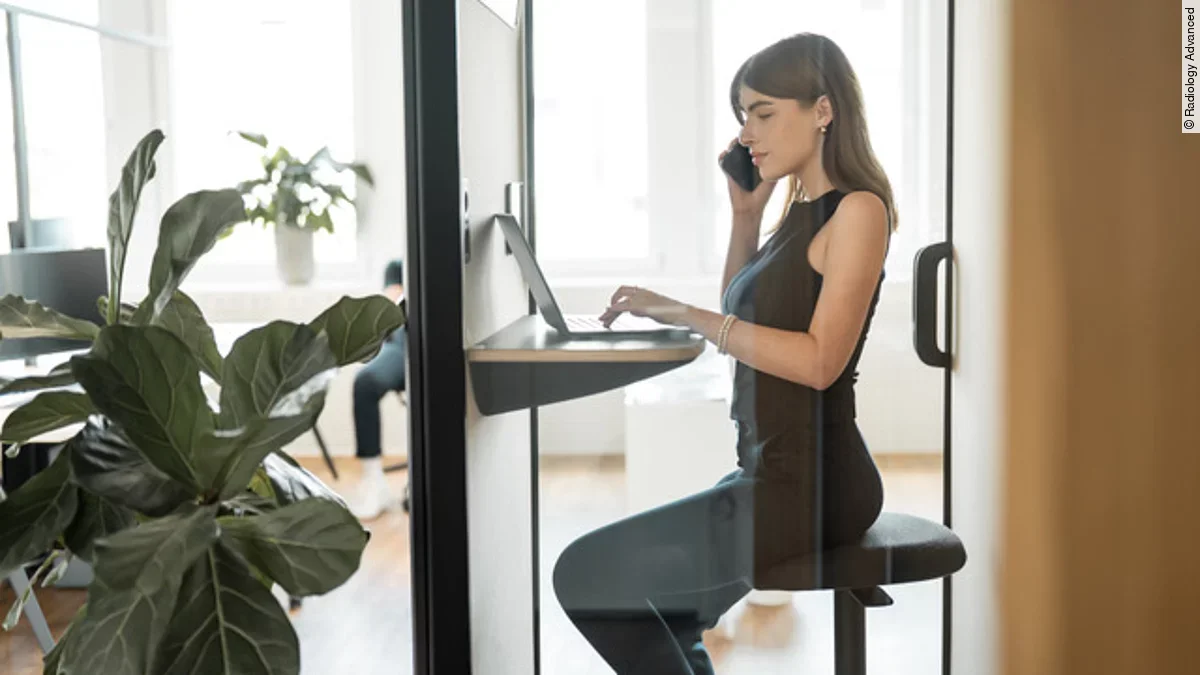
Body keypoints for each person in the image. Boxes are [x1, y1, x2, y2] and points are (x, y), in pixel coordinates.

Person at [552, 33, 893, 674]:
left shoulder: (858, 211)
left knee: (586, 574)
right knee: (663, 615)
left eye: (764, 113)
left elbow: (821, 361)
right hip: (767, 472)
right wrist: (743, 216)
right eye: (743, 117)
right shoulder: (793, 213)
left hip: (817, 486)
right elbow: (743, 312)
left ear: (823, 110)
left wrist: (686, 315)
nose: (748, 135)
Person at [349, 259, 407, 520]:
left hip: (446, 341)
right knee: (365, 384)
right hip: (402, 346)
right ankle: (374, 481)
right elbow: (393, 305)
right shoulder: (398, 267)